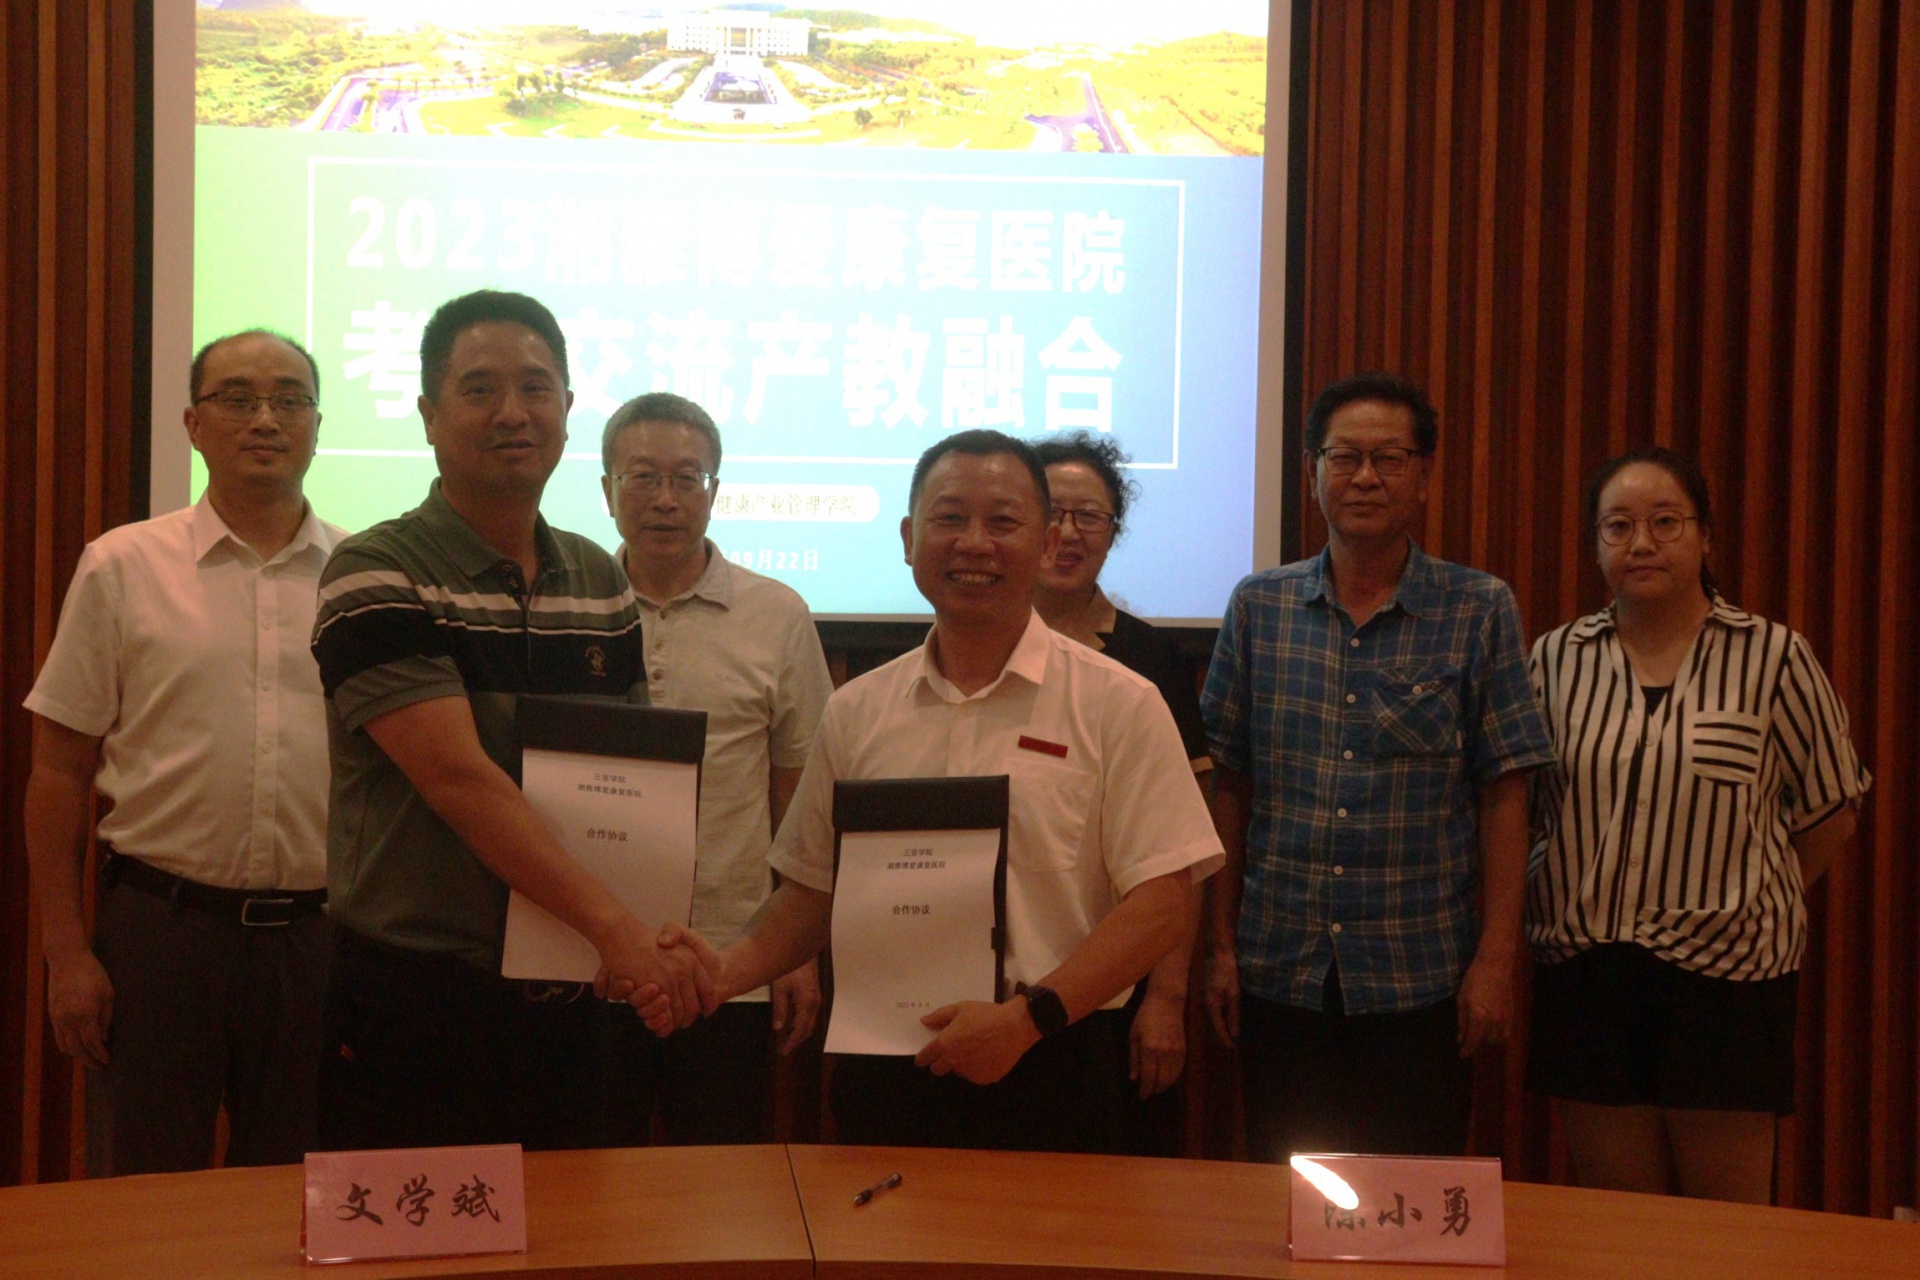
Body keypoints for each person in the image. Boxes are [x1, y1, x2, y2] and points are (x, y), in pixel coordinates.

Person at [658, 428, 1223, 1152]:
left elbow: (1163, 901)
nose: (974, 543)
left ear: (1046, 542)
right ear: (907, 539)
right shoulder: (857, 710)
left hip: (1054, 1057)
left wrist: (1025, 1021)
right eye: (950, 518)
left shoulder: (1120, 702)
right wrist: (724, 969)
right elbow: (811, 891)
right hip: (886, 1065)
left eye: (1004, 521)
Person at [310, 289, 709, 1152]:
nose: (513, 413)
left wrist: (640, 936)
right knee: (417, 1222)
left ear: (568, 407)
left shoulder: (599, 578)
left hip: (578, 988)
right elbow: (458, 782)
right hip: (420, 997)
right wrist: (619, 930)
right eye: (480, 389)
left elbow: (633, 782)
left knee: (578, 1221)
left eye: (535, 387)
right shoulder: (375, 570)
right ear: (428, 414)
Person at [1201, 370, 1555, 1161]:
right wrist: (1219, 949)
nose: (1365, 477)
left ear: (1423, 476)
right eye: (1345, 457)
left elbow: (1505, 794)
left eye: (1389, 458)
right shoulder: (1259, 607)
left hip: (1420, 975)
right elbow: (1229, 785)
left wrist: (1496, 961)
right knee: (1289, 1192)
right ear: (1312, 473)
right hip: (1279, 970)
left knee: (1415, 1199)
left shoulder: (1479, 608)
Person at [24, 330, 341, 1175]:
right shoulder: (121, 566)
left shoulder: (361, 577)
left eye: (290, 400)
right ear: (194, 424)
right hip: (161, 933)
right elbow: (57, 772)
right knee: (144, 1193)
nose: (265, 419)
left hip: (317, 941)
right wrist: (66, 952)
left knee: (300, 1197)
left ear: (317, 426)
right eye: (238, 398)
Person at [1525, 447, 1869, 1204]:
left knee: (1725, 1227)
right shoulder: (1556, 658)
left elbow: (1832, 809)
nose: (1641, 543)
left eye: (1665, 522)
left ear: (1706, 535)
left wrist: (1748, 887)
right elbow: (1532, 808)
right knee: (1618, 1218)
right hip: (1590, 968)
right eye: (1618, 526)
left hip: (1730, 977)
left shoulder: (1773, 656)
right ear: (1596, 544)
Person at [598, 391, 833, 1145]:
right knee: (586, 1178)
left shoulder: (777, 613)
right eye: (642, 477)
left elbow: (801, 794)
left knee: (720, 1181)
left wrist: (794, 952)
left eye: (686, 478)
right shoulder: (572, 605)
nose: (665, 499)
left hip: (729, 961)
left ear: (715, 491)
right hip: (590, 957)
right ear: (606, 490)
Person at [1031, 431, 1209, 1154]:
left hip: (1120, 988)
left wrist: (1166, 995)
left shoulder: (1150, 658)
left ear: (1113, 533)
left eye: (1091, 517)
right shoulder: (967, 645)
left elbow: (1183, 853)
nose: (1068, 533)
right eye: (1051, 512)